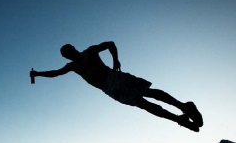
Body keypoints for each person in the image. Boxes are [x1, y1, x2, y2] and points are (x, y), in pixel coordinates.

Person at [30, 42, 203, 132]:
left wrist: (115, 59)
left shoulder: (89, 52)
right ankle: (178, 119)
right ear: (65, 58)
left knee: (149, 93)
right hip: (110, 89)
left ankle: (184, 106)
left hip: (114, 78)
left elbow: (110, 43)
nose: (69, 55)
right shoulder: (72, 67)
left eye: (69, 51)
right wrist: (37, 74)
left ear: (74, 48)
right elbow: (54, 73)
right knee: (144, 105)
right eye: (66, 55)